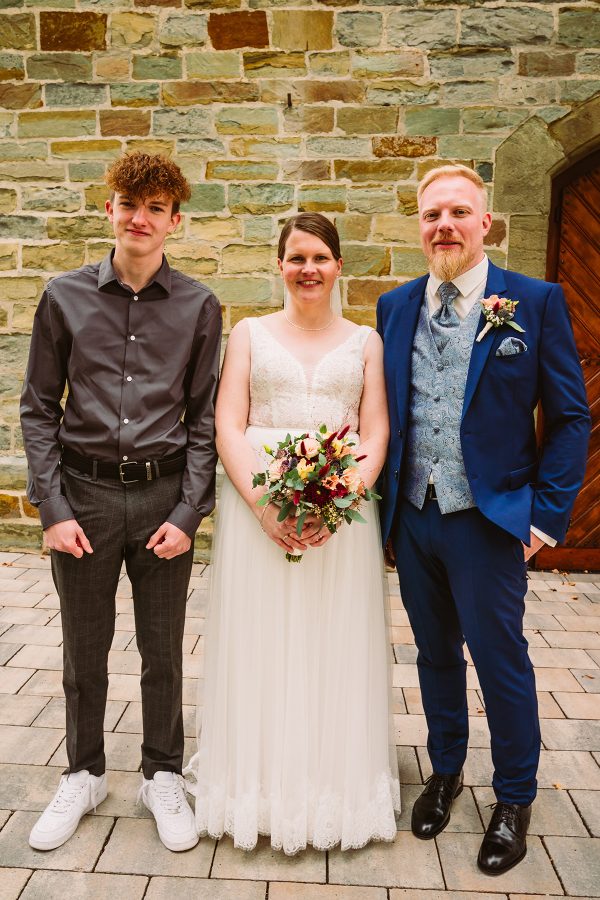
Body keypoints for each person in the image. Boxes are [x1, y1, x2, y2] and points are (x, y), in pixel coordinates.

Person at [377, 164, 590, 874]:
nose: (445, 225)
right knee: (434, 654)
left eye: (458, 212)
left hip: (491, 521)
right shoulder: (395, 306)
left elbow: (568, 419)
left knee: (501, 660)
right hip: (414, 514)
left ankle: (515, 796)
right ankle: (444, 773)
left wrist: (545, 518)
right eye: (432, 214)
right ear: (420, 224)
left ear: (485, 221)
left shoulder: (535, 302)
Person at [20, 152, 222, 853]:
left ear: (175, 220)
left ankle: (162, 774)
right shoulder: (63, 296)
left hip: (164, 497)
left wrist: (189, 513)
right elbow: (38, 410)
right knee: (85, 650)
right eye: (128, 204)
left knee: (164, 651)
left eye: (157, 207)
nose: (141, 218)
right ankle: (83, 771)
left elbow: (204, 421)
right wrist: (53, 508)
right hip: (86, 498)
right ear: (109, 209)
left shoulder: (200, 306)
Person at [186, 212, 399, 854]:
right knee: (262, 641)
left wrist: (338, 499)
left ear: (339, 266)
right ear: (279, 265)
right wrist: (262, 505)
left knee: (333, 641)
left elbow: (376, 430)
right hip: (259, 510)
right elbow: (228, 422)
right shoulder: (248, 333)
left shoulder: (366, 341)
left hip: (342, 519)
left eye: (321, 258)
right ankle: (255, 785)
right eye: (297, 257)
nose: (309, 269)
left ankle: (333, 785)